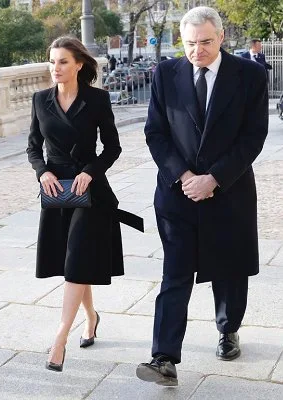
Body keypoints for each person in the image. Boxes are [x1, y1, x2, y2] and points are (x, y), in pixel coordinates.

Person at [137, 6, 269, 386]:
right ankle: (163, 358)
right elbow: (155, 133)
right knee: (175, 273)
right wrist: (184, 176)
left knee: (229, 269)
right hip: (177, 194)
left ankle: (228, 330)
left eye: (206, 42)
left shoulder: (250, 75)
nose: (198, 50)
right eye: (191, 43)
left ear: (222, 37)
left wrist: (214, 178)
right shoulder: (165, 73)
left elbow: (253, 137)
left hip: (229, 191)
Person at [27, 36, 143, 373]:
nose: (56, 68)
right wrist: (42, 172)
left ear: (79, 64)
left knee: (77, 257)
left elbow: (112, 148)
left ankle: (60, 337)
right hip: (56, 193)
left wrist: (91, 172)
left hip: (90, 193)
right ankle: (91, 317)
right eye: (52, 62)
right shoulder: (40, 100)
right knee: (74, 264)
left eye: (63, 61)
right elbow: (33, 147)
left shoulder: (97, 99)